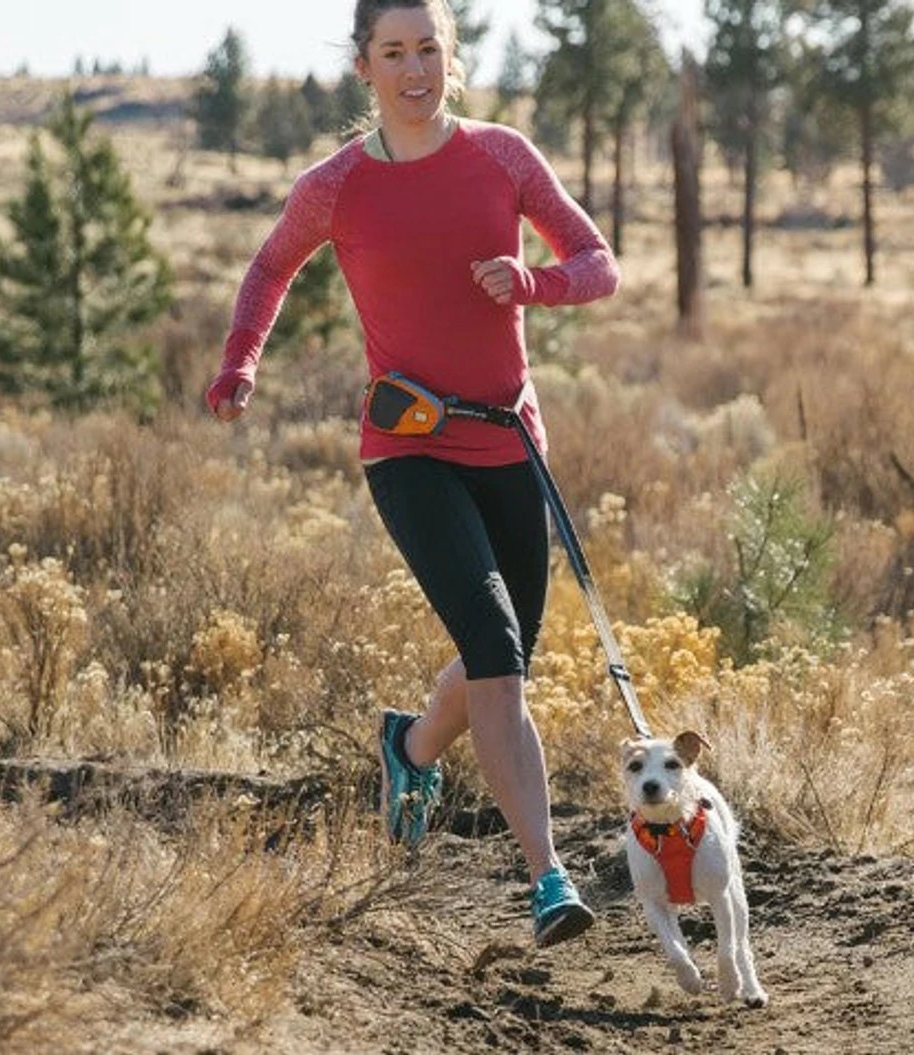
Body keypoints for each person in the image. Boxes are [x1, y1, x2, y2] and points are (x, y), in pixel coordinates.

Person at [206, 0, 620, 948]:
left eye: (428, 47)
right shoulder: (337, 186)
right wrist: (243, 359)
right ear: (365, 69)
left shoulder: (505, 156)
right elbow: (271, 268)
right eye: (393, 52)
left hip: (511, 442)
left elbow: (598, 263)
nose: (413, 68)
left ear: (450, 56)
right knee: (495, 644)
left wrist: (533, 283)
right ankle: (547, 878)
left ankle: (411, 745)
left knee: (500, 657)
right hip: (410, 447)